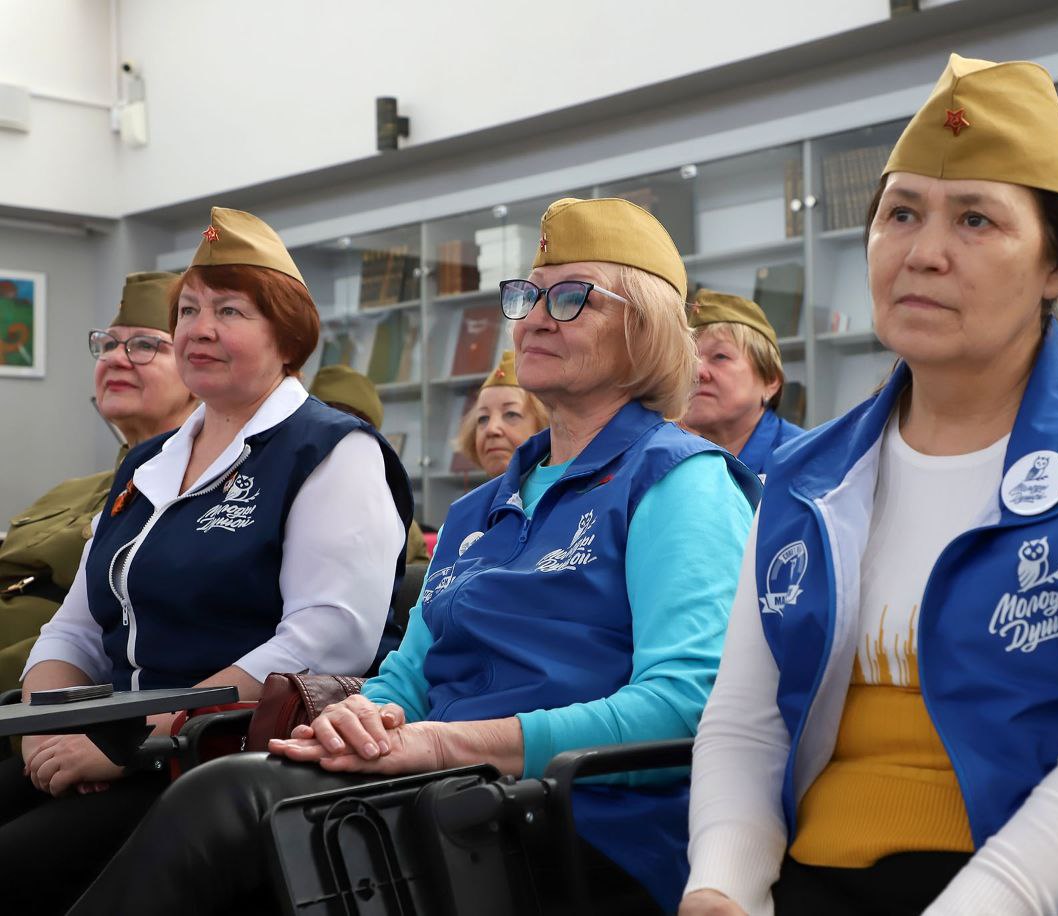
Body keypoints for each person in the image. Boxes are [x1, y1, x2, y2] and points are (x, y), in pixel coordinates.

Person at [681, 54, 1058, 916]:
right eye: (900, 214)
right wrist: (723, 886)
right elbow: (745, 723)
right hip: (821, 883)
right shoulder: (811, 477)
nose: (924, 253)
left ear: (1056, 271)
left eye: (975, 220)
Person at [66, 196, 761, 916]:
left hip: (578, 822)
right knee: (241, 809)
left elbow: (688, 707)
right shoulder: (481, 508)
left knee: (228, 801)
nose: (536, 316)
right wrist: (360, 717)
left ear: (645, 328)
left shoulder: (679, 480)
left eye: (572, 297)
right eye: (526, 295)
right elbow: (409, 676)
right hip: (445, 798)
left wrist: (440, 746)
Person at [1, 207, 415, 915]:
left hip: (213, 761)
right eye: (188, 309)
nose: (199, 328)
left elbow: (322, 643)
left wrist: (126, 742)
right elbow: (75, 627)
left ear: (287, 336)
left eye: (229, 310)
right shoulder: (149, 462)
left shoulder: (330, 451)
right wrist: (50, 725)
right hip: (114, 741)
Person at [0, 272, 196, 697]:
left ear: (199, 368)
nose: (114, 358)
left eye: (145, 345)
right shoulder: (73, 490)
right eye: (107, 344)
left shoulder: (204, 491)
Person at [308, 363, 430, 563]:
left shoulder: (395, 513)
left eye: (352, 422)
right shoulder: (281, 491)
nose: (338, 435)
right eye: (327, 418)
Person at [682, 290, 803, 475]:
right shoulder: (677, 464)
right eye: (689, 359)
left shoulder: (803, 461)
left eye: (720, 356)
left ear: (770, 381)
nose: (697, 372)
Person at [454, 348, 550, 478]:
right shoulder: (479, 499)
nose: (491, 429)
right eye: (483, 418)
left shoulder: (567, 497)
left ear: (546, 424)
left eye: (511, 414)